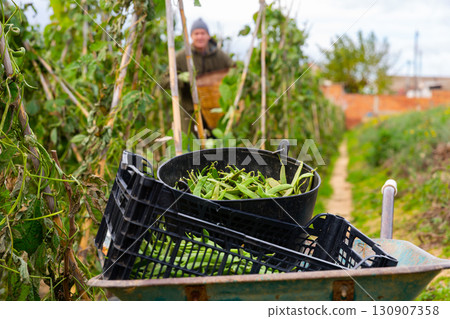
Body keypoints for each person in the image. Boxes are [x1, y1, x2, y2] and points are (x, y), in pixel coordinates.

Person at [162, 18, 233, 135]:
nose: (200, 37)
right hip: (190, 112)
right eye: (196, 34)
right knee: (191, 149)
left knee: (216, 148)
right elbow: (163, 81)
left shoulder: (219, 55)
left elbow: (234, 71)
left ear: (208, 36)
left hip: (214, 113)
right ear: (191, 36)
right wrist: (182, 80)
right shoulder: (182, 57)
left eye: (203, 33)